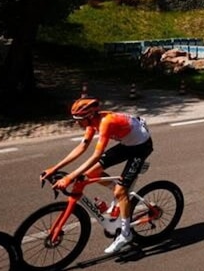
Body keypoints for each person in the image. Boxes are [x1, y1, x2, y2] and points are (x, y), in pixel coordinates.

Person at [41, 98, 153, 254]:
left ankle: (126, 234)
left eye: (79, 119)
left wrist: (69, 177)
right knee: (92, 173)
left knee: (119, 191)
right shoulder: (92, 122)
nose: (76, 123)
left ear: (89, 116)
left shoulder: (106, 122)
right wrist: (55, 168)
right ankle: (121, 193)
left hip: (141, 147)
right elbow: (82, 146)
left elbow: (95, 156)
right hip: (128, 144)